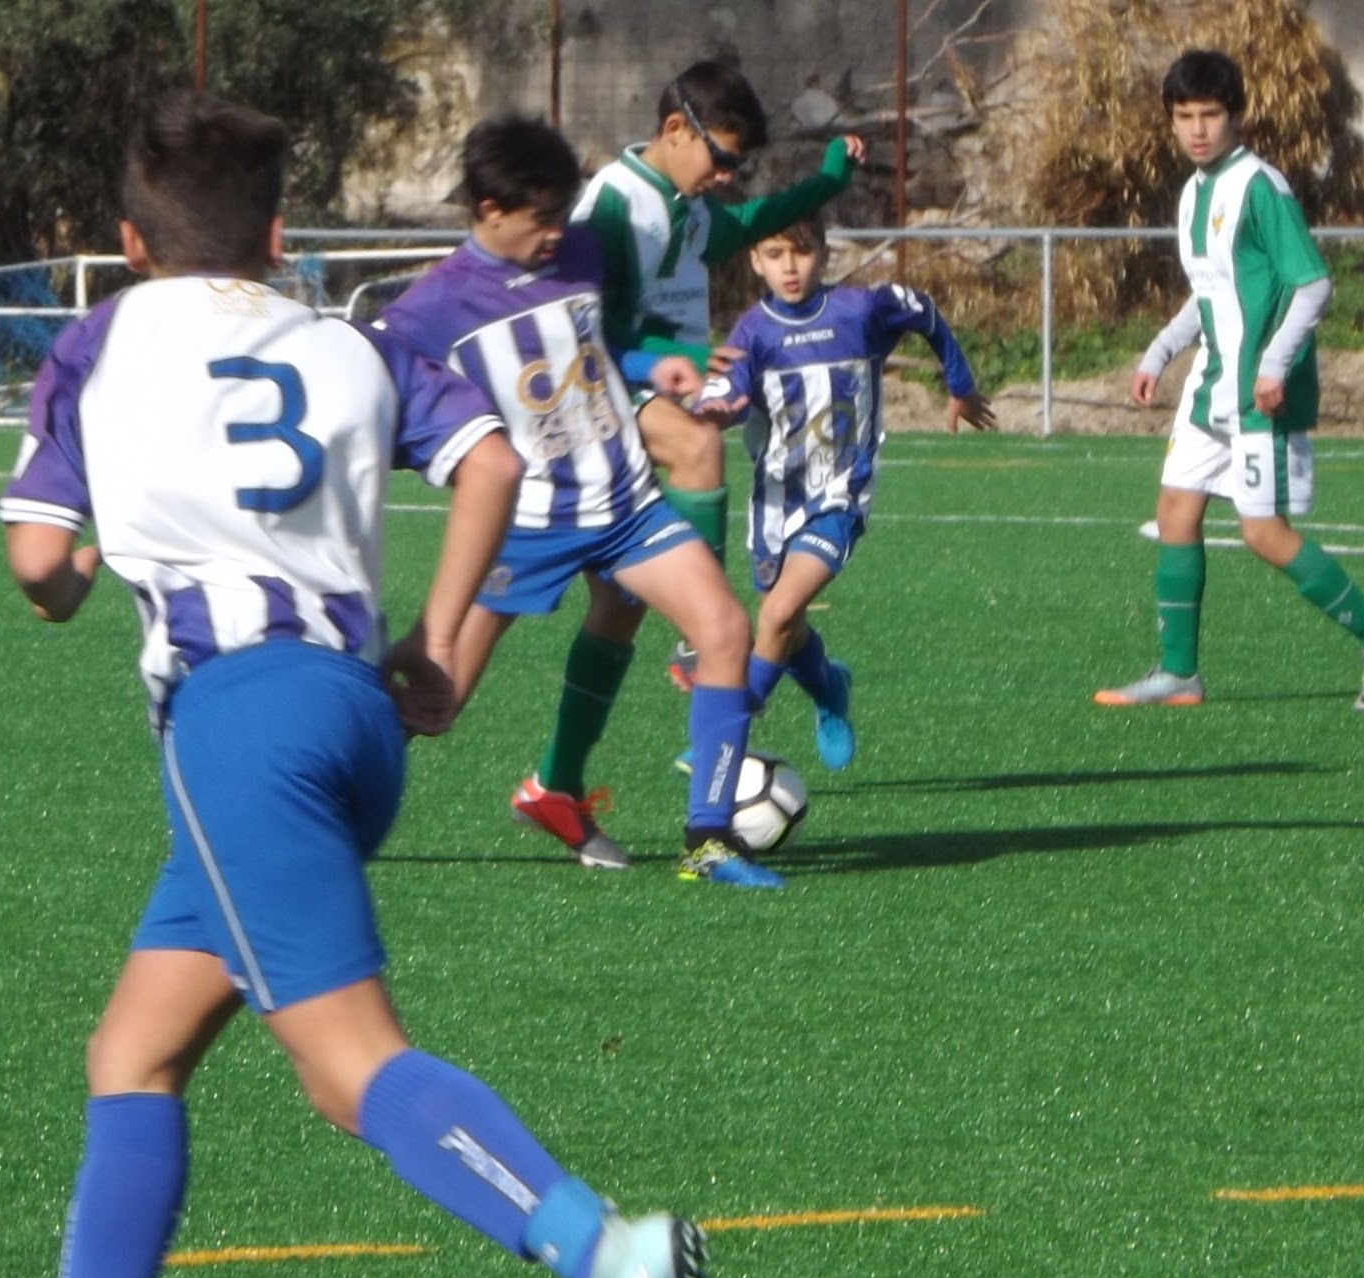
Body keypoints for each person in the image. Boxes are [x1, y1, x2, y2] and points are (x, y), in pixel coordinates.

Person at [0, 91, 711, 1278]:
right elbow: (492, 462)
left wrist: (80, 577)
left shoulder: (103, 338)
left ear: (129, 242)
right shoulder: (352, 341)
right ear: (280, 236)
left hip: (239, 725)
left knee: (348, 1069)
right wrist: (436, 645)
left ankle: (611, 1254)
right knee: (135, 1050)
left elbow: (38, 561)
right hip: (348, 714)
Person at [379, 114, 783, 890]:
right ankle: (315, 816)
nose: (556, 233)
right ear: (489, 210)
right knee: (436, 698)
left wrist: (653, 364)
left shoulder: (582, 252)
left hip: (625, 504)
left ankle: (707, 841)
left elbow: (598, 343)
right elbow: (372, 392)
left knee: (726, 629)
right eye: (540, 219)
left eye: (561, 214)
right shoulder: (429, 309)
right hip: (525, 525)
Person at [1095, 48, 1364, 710]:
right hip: (1209, 386)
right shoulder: (1194, 192)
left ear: (1237, 115)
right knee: (1174, 512)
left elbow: (1313, 284)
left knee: (1263, 534)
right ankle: (1178, 673)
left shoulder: (1260, 187)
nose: (1197, 129)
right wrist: (1159, 352)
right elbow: (1209, 292)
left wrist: (1273, 364)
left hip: (1256, 394)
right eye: (1185, 116)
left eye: (1210, 115)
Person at [564, 59, 866, 739]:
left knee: (618, 606)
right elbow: (588, 334)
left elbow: (753, 220)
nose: (726, 175)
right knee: (699, 447)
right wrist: (692, 363)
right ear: (676, 128)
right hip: (594, 392)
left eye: (736, 164)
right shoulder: (614, 205)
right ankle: (701, 637)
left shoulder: (690, 207)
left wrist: (826, 183)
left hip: (653, 390)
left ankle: (558, 780)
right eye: (722, 158)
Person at [693, 213, 995, 770]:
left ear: (824, 253)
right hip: (775, 501)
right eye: (775, 255)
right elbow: (726, 388)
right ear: (755, 261)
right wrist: (715, 408)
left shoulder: (861, 310)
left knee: (778, 614)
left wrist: (960, 383)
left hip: (841, 493)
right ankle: (830, 690)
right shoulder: (752, 333)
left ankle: (723, 737)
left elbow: (924, 311)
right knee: (786, 624)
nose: (790, 267)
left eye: (801, 252)